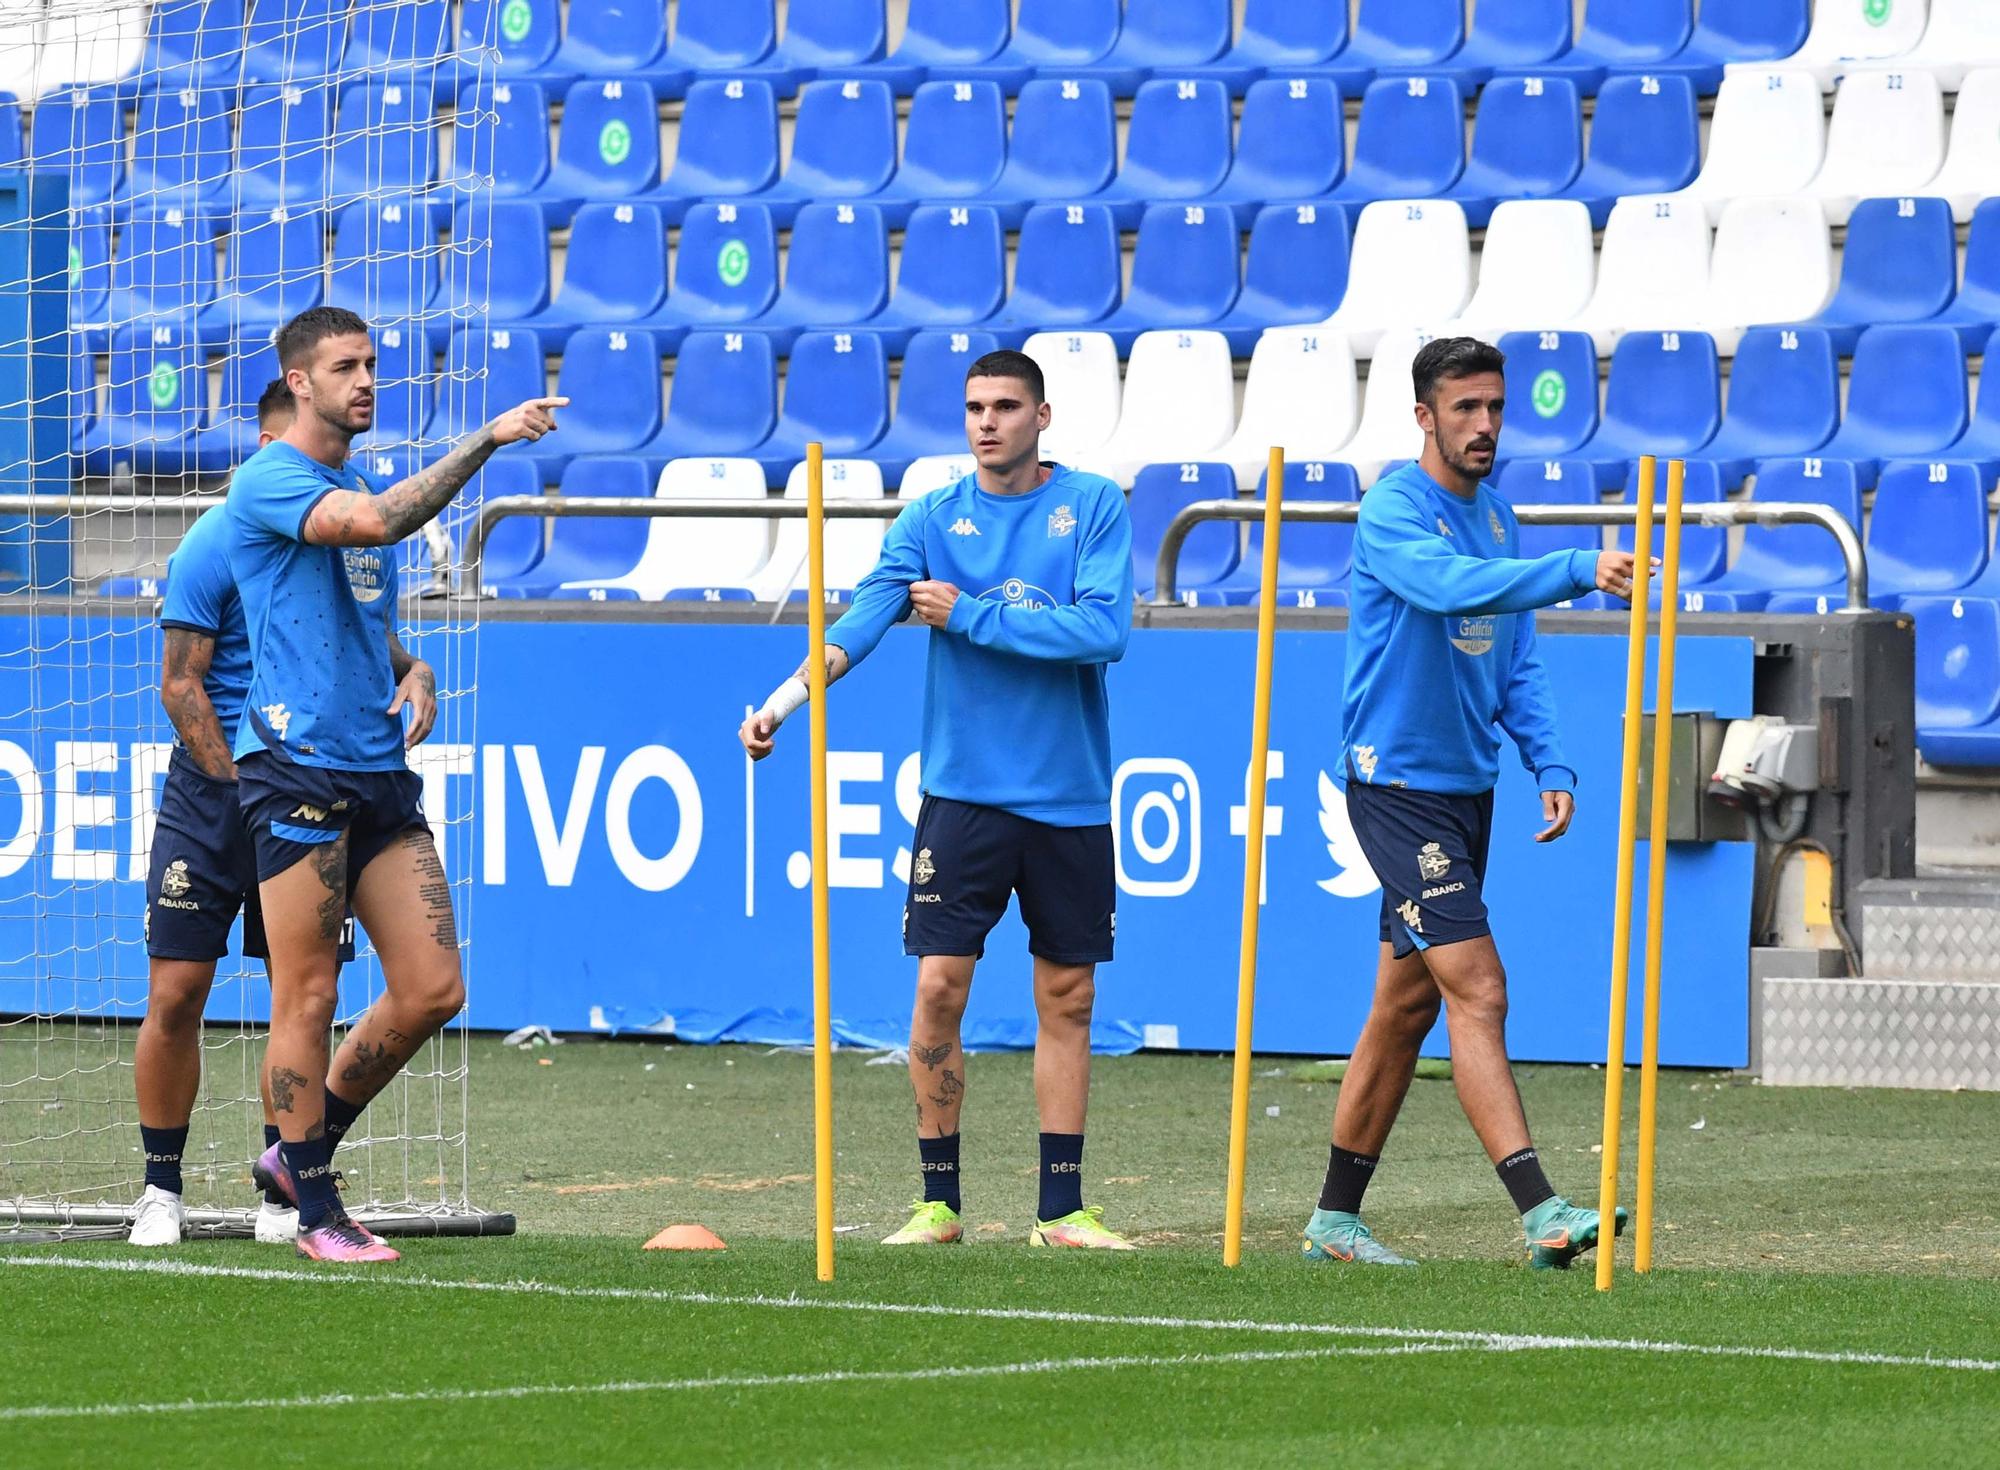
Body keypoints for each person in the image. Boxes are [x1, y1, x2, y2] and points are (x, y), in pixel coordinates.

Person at [738, 349, 1137, 1249]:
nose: (987, 421)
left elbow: (1104, 631)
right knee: (938, 990)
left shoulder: (1094, 506)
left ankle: (1061, 1211)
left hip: (1069, 794)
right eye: (973, 408)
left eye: (1005, 406)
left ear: (1042, 417)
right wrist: (781, 704)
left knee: (1067, 997)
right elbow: (860, 623)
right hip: (962, 796)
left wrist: (971, 616)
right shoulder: (932, 517)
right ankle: (939, 1204)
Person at [1303, 336, 1647, 1271]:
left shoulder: (1497, 518)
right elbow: (1445, 587)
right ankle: (1540, 1211)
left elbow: (1515, 657)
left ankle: (1333, 1222)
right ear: (1425, 416)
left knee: (1404, 1007)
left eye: (1495, 407)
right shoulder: (1392, 509)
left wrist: (1553, 764)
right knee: (1480, 988)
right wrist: (1578, 567)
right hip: (1396, 786)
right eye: (1466, 408)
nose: (1486, 424)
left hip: (1466, 789)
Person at [226, 307, 563, 1263]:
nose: (367, 380)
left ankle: (304, 1150)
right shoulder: (272, 478)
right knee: (310, 991)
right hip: (293, 767)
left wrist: (411, 669)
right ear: (300, 383)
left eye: (372, 364)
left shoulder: (357, 474)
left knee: (432, 989)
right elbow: (377, 524)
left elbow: (365, 618)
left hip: (376, 771)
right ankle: (314, 1208)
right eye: (346, 367)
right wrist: (487, 439)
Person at [129, 379, 431, 1247]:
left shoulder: (333, 534)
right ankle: (161, 1188)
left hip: (304, 785)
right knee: (178, 992)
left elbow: (370, 643)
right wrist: (240, 788)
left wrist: (412, 669)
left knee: (299, 994)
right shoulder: (217, 538)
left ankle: (282, 1183)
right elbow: (181, 682)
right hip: (220, 790)